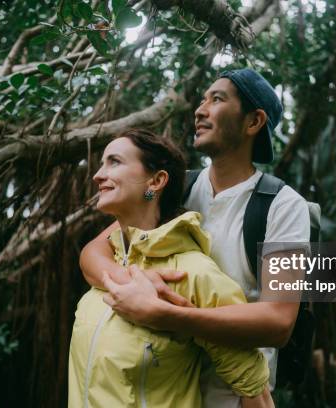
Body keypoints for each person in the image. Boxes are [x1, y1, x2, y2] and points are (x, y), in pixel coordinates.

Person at [80, 69, 310, 407]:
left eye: (217, 99)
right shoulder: (178, 188)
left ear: (253, 122)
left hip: (235, 398)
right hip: (160, 392)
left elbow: (277, 321)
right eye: (202, 99)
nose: (199, 110)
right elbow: (92, 254)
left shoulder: (283, 206)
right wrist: (137, 285)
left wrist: (162, 313)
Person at [68, 129, 275, 408]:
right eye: (102, 163)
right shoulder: (108, 267)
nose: (97, 175)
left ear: (156, 180)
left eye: (114, 162)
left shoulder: (192, 273)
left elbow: (253, 387)